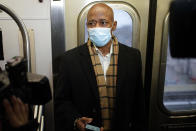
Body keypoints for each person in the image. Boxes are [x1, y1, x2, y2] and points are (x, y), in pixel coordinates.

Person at [54, 3, 146, 131]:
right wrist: (75, 120)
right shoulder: (69, 59)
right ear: (87, 26)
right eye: (91, 23)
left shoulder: (132, 57)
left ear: (113, 25)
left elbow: (138, 101)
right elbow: (61, 102)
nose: (96, 27)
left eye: (103, 23)